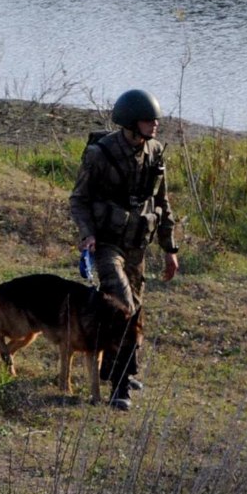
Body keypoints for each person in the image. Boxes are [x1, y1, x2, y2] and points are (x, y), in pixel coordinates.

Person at [69, 89, 179, 411]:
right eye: (149, 119)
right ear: (132, 123)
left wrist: (169, 248)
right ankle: (120, 387)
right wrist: (87, 234)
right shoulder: (100, 154)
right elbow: (78, 199)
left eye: (156, 119)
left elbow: (162, 203)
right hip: (107, 244)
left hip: (137, 246)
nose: (155, 124)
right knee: (123, 309)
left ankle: (116, 370)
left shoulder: (155, 152)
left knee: (136, 309)